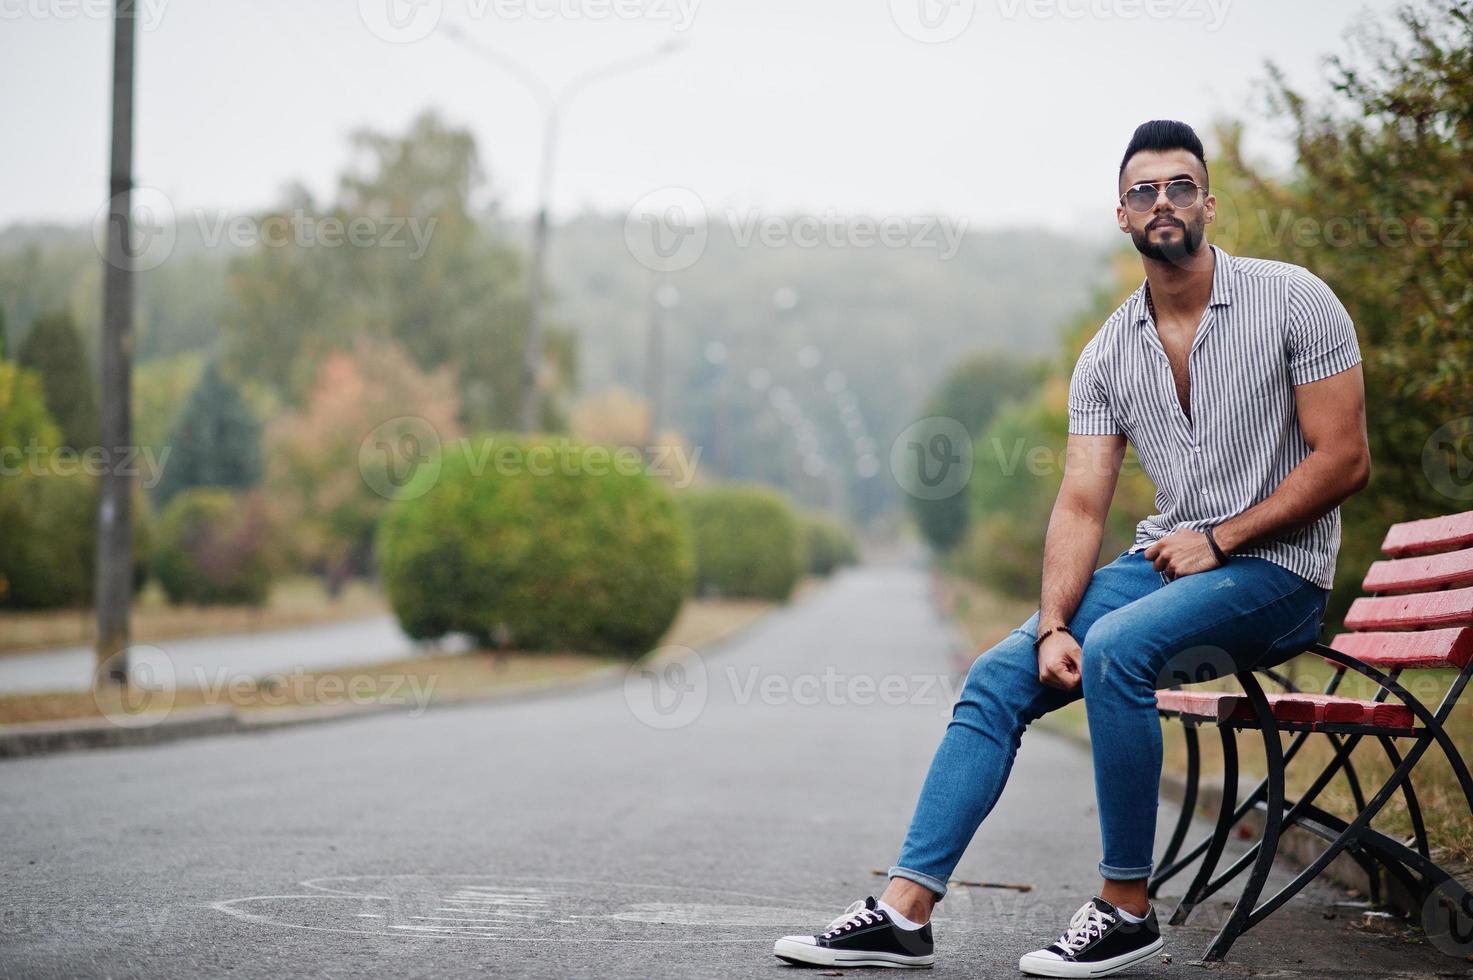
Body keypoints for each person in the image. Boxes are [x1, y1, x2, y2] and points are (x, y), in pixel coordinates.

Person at [773, 119, 1370, 976]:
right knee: (998, 673)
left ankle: (1126, 907)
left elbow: (1344, 458)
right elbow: (1082, 501)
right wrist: (1053, 622)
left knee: (1121, 647)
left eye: (1177, 186)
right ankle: (905, 911)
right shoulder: (1106, 354)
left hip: (1280, 574)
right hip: (1169, 564)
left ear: (1208, 202)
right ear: (1120, 217)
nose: (1160, 202)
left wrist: (1221, 538)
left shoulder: (1294, 299)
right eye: (1141, 191)